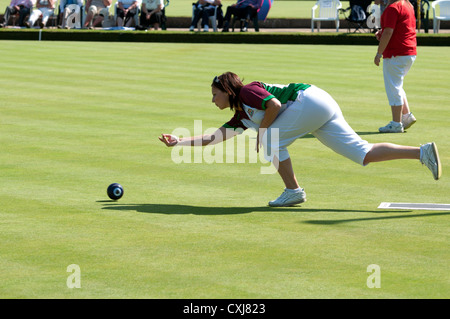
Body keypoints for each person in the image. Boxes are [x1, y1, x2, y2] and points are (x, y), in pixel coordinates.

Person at [159, 72, 441, 207]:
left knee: (271, 141)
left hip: (309, 100)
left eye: (214, 94)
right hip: (318, 106)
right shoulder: (241, 117)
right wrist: (179, 142)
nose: (212, 100)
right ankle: (422, 152)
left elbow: (275, 107)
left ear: (227, 91)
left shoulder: (247, 92)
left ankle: (294, 191)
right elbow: (212, 138)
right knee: (362, 153)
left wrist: (263, 133)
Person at [374, 0, 417, 133]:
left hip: (396, 53)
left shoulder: (392, 8)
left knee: (393, 88)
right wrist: (382, 33)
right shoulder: (407, 4)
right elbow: (395, 28)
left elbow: (388, 32)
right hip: (408, 52)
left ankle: (396, 123)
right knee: (397, 85)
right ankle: (406, 116)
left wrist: (378, 53)